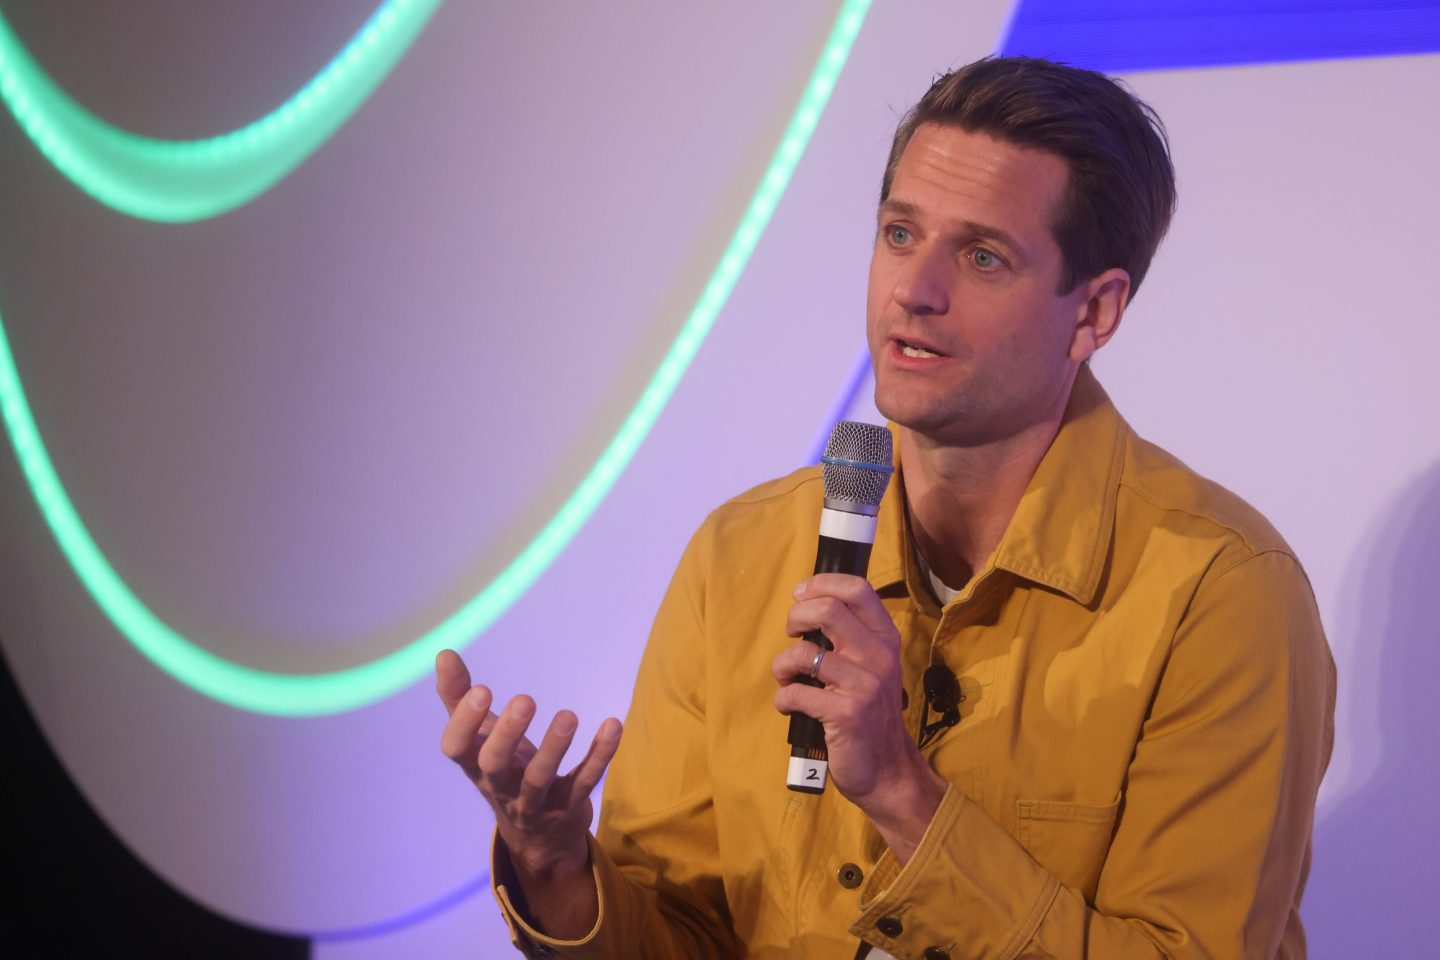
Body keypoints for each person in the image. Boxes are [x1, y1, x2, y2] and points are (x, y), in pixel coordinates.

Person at [436, 57, 1335, 959]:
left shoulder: (1219, 592)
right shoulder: (741, 553)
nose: (914, 289)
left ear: (1094, 313)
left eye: (982, 256)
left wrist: (904, 794)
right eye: (900, 234)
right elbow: (686, 938)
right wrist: (556, 870)